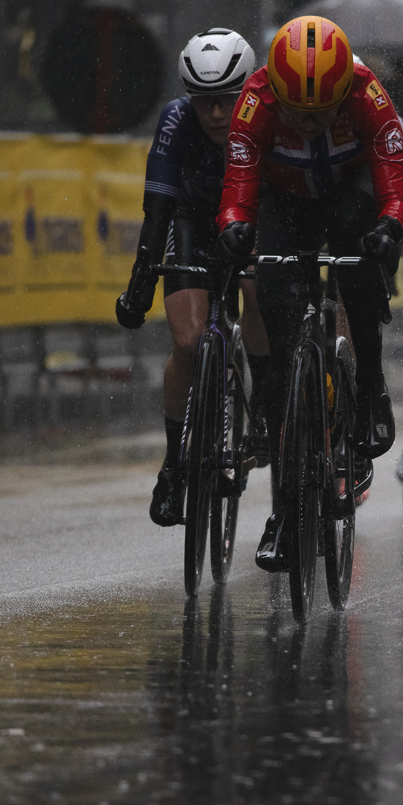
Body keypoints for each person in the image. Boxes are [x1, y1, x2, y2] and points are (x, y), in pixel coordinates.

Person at [216, 14, 403, 571]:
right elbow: (238, 188)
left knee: (359, 266)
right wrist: (234, 225)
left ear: (344, 92)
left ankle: (370, 386)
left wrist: (389, 228)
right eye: (298, 113)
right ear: (277, 93)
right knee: (280, 349)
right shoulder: (255, 102)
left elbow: (395, 187)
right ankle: (285, 512)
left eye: (322, 113)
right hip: (285, 200)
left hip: (351, 191)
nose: (308, 123)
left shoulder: (368, 95)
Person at [116, 27, 270, 527]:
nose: (218, 113)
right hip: (191, 222)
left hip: (252, 220)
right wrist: (140, 284)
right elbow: (157, 210)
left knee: (257, 292)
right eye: (205, 101)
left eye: (228, 99)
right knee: (187, 341)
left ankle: (262, 409)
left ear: (246, 91)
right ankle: (173, 467)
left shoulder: (265, 118)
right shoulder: (176, 120)